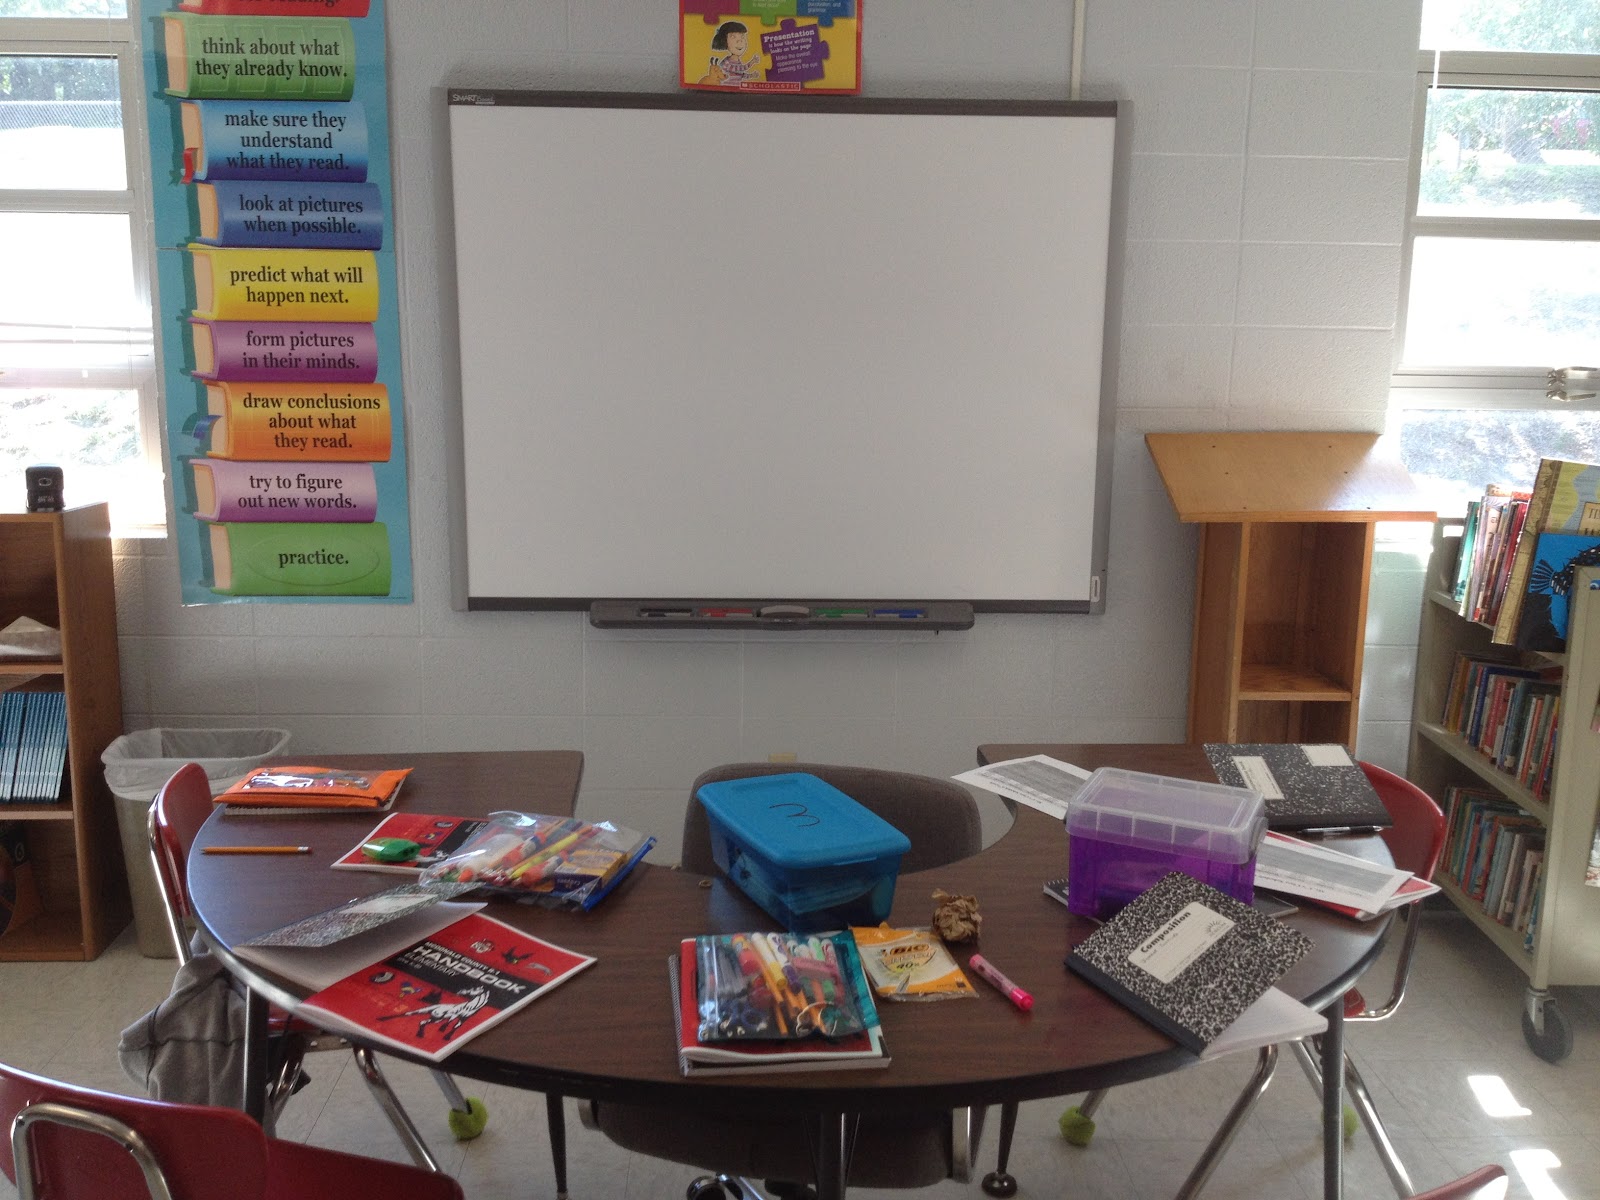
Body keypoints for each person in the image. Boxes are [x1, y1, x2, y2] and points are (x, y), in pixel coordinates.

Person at [701, 20, 761, 86]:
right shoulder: (726, 63)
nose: (740, 41)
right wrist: (752, 62)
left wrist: (751, 75)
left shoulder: (737, 61)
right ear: (724, 41)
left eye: (742, 37)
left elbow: (740, 74)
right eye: (733, 37)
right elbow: (740, 69)